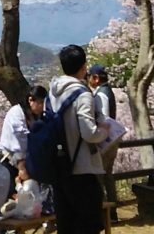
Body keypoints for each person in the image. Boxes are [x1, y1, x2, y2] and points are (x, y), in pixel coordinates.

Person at [49, 45, 109, 234]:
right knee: (87, 226)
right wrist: (104, 131)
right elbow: (89, 133)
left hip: (60, 170)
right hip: (82, 169)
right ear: (83, 67)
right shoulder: (82, 94)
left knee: (66, 227)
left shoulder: (52, 93)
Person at [0, 84, 47, 194]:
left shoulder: (37, 116)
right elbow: (20, 139)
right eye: (40, 102)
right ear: (30, 100)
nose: (42, 106)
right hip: (11, 159)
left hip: (30, 160)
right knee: (14, 195)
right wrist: (21, 166)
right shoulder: (17, 112)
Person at [86, 64, 119, 222]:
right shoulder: (108, 91)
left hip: (105, 141)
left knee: (99, 178)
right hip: (113, 140)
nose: (88, 80)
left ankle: (104, 213)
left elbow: (104, 119)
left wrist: (98, 138)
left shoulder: (101, 95)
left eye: (90, 77)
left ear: (96, 78)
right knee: (108, 177)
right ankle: (113, 212)